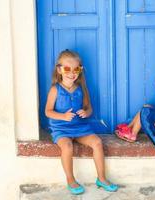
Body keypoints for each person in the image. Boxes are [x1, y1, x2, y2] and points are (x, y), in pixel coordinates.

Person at [45, 49, 118, 195]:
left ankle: (102, 178)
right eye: (67, 69)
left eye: (76, 69)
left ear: (80, 70)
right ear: (59, 70)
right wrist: (63, 117)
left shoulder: (81, 89)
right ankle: (71, 179)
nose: (72, 73)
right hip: (61, 128)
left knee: (97, 142)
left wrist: (86, 112)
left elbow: (88, 108)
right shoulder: (55, 90)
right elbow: (48, 111)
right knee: (67, 146)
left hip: (80, 127)